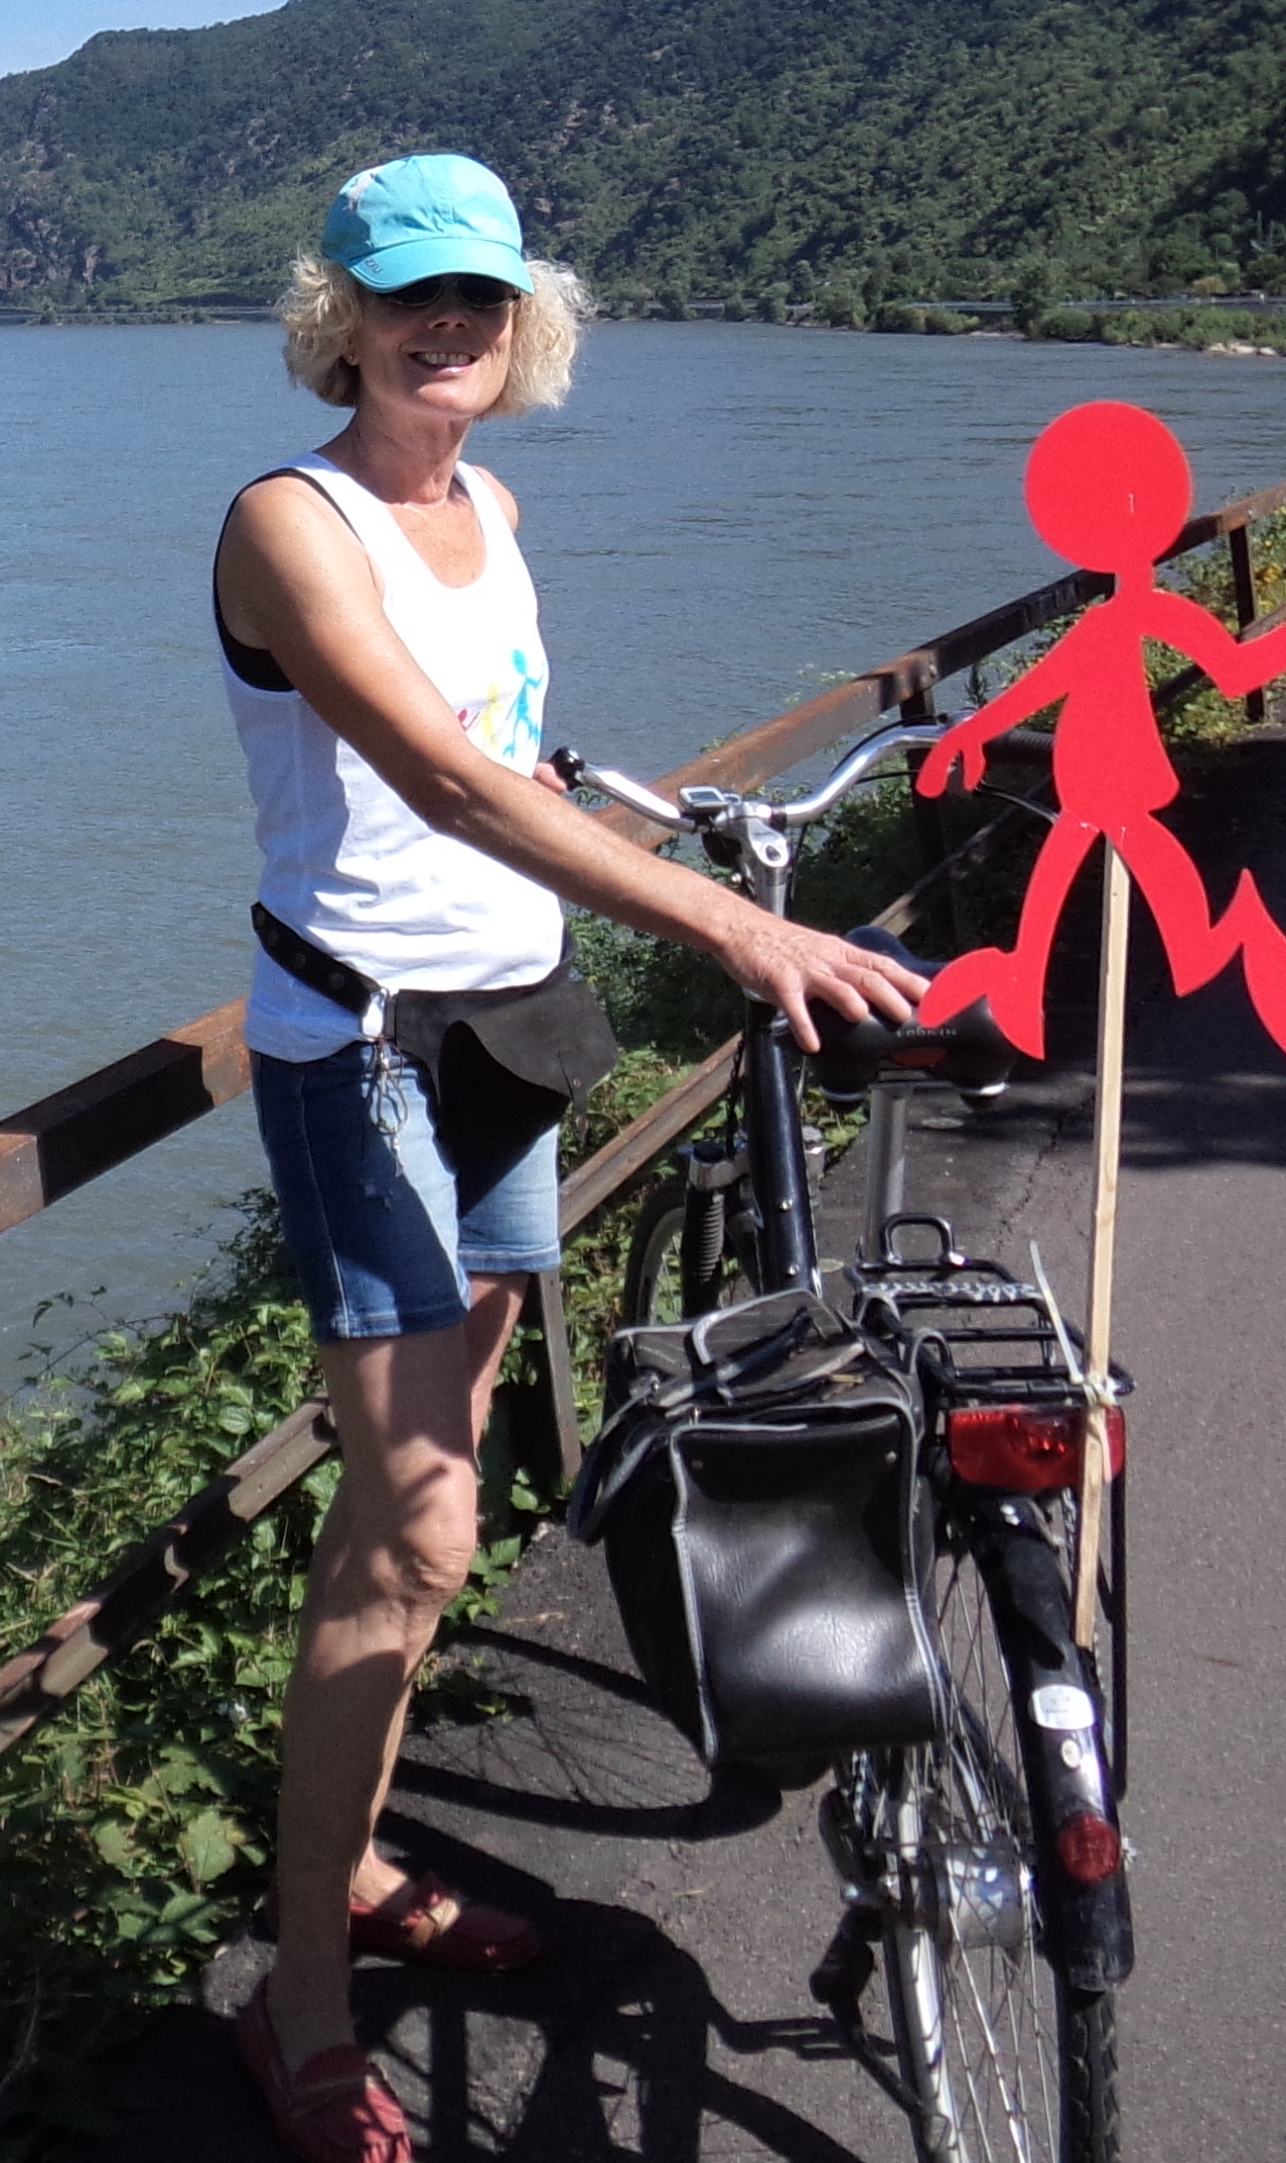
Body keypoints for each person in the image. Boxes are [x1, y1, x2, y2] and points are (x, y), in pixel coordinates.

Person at [209, 154, 924, 2161]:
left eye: (480, 297)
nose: (445, 327)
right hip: (361, 1048)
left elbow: (507, 753)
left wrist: (655, 823)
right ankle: (300, 1995)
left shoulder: (492, 509)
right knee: (419, 1525)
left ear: (525, 322)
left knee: (429, 1497)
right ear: (339, 319)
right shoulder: (289, 523)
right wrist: (732, 931)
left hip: (510, 1026)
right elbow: (432, 778)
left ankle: (349, 1858)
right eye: (405, 296)